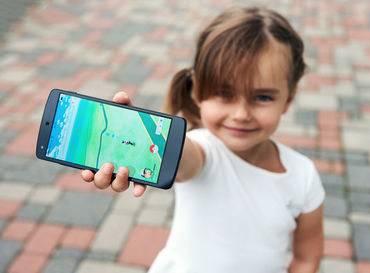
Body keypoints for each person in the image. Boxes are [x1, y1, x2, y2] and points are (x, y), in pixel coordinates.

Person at [81, 6, 325, 273]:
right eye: (224, 94)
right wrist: (143, 135)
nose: (241, 114)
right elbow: (182, 157)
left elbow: (306, 258)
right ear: (197, 92)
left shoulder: (304, 175)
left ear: (288, 99)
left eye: (263, 97)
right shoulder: (202, 151)